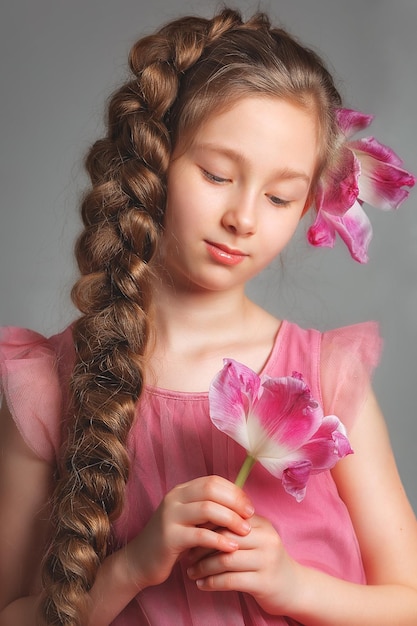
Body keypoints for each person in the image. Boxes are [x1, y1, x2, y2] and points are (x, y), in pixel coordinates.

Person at [0, 7, 416, 626]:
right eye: (218, 174)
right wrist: (131, 567)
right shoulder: (51, 384)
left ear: (308, 205)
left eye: (279, 196)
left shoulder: (325, 378)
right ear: (154, 162)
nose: (244, 217)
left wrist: (292, 586)